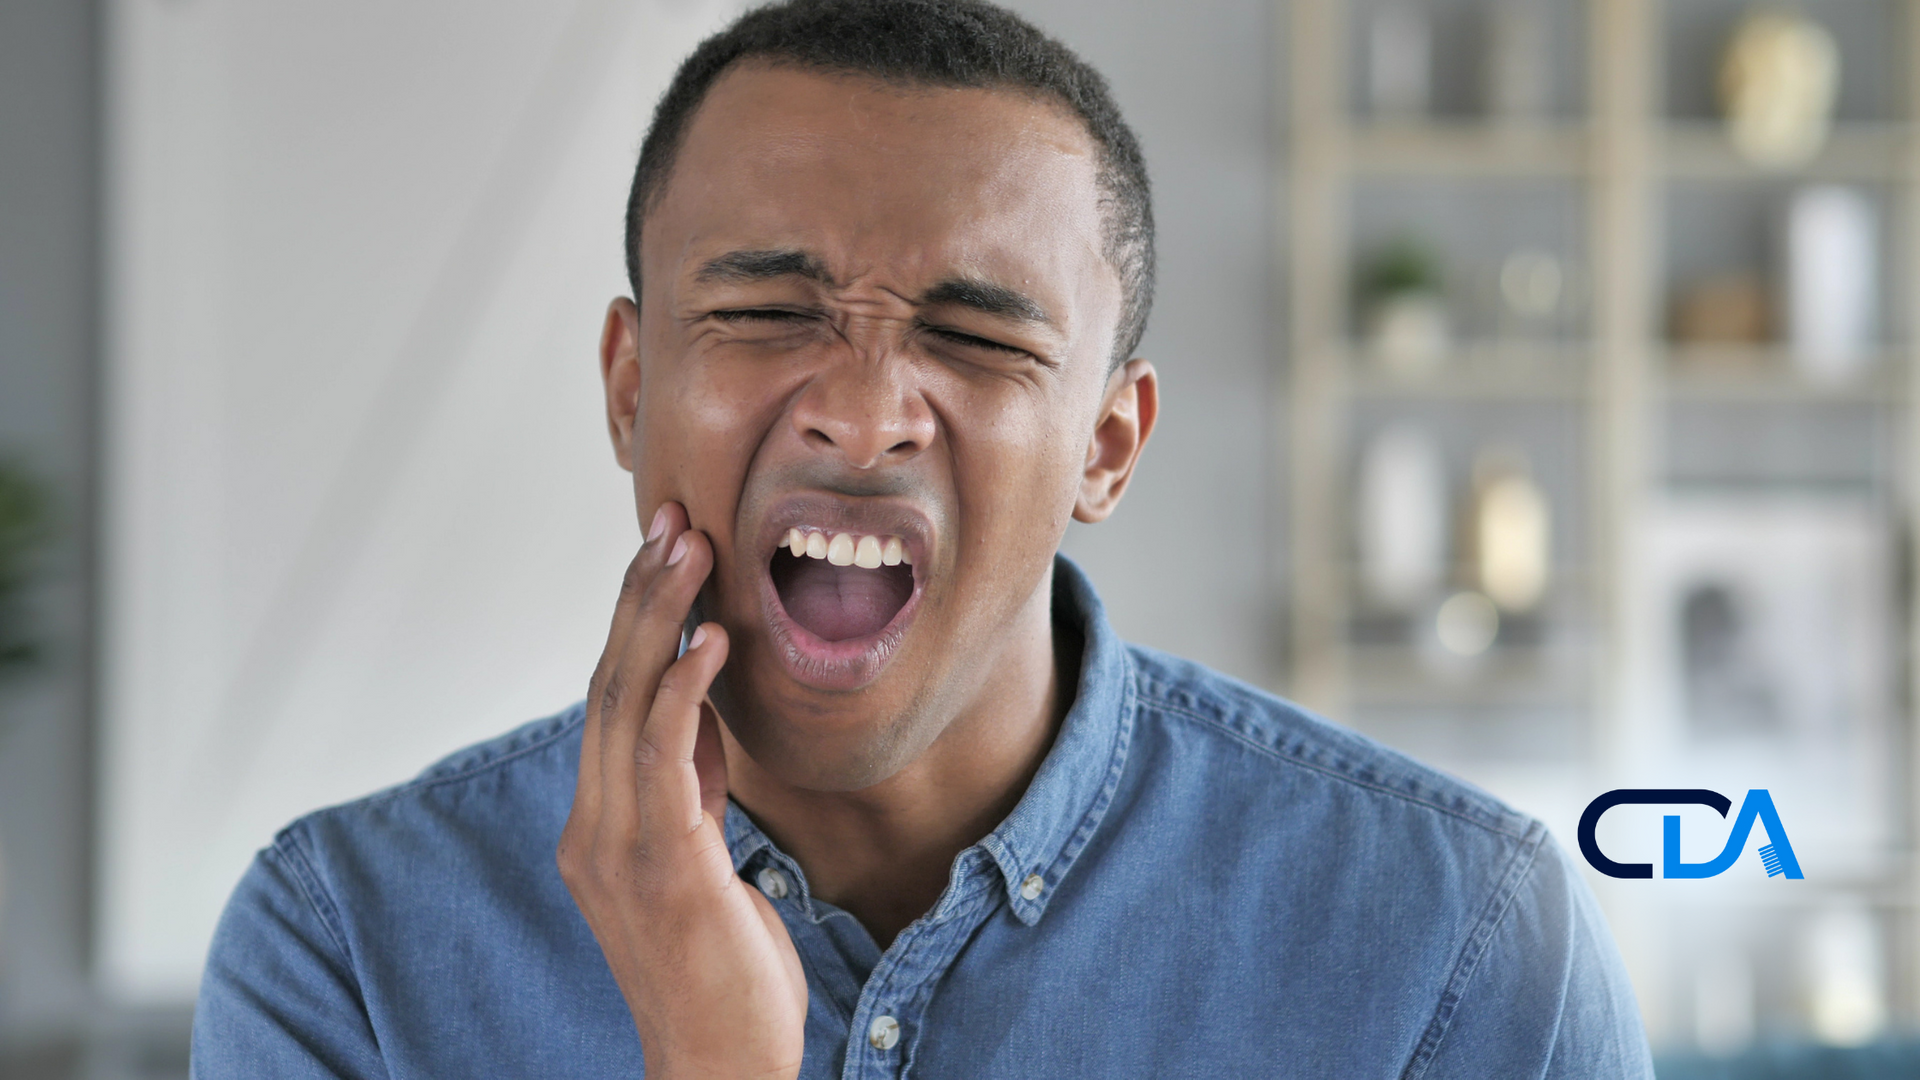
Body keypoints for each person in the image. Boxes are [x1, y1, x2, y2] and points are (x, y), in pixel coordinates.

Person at [191, 1, 1656, 1076]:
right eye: (767, 314)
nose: (864, 411)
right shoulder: (346, 952)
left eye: (972, 335)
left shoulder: (1464, 951)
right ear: (631, 386)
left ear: (1107, 444)